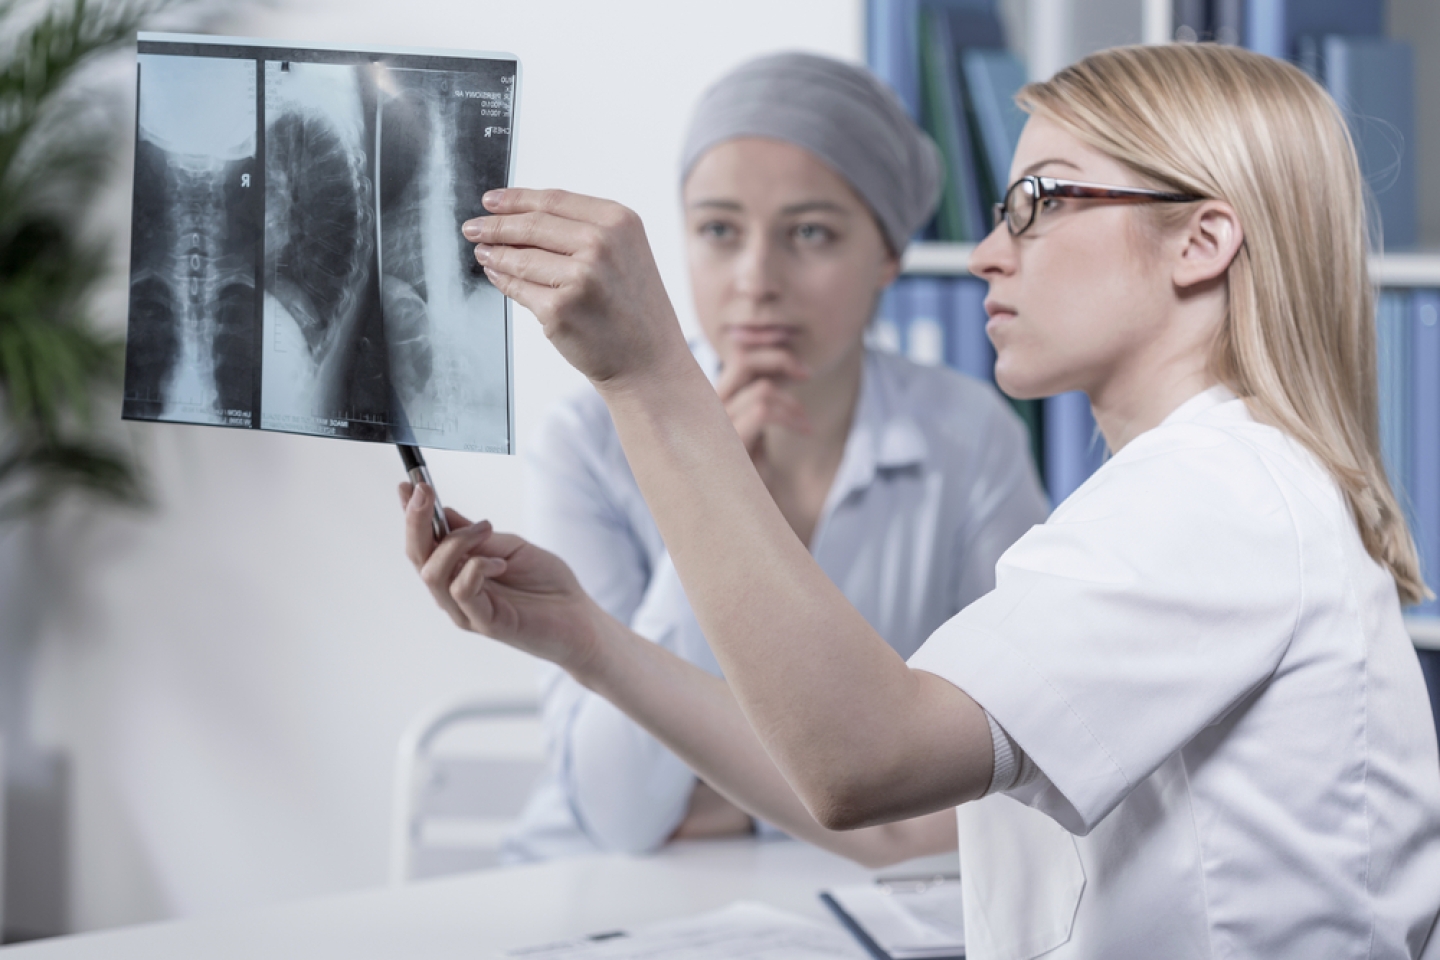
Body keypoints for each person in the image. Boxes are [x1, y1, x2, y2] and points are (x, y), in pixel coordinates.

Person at [404, 43, 1440, 958]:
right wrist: (588, 638)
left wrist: (650, 376)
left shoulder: (1218, 499)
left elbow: (863, 761)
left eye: (1040, 201)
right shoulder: (1200, 489)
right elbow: (896, 823)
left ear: (1200, 243)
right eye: (1001, 212)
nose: (991, 250)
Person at [502, 52, 1049, 861]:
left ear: (889, 257)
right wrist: (708, 487)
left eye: (812, 234)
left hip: (847, 888)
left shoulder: (970, 438)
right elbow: (621, 813)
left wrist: (733, 804)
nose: (757, 280)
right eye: (719, 231)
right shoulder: (585, 441)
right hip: (602, 893)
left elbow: (1010, 764)